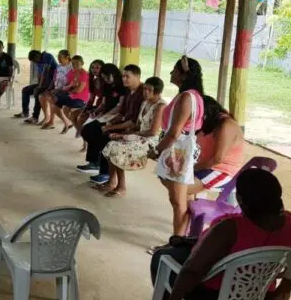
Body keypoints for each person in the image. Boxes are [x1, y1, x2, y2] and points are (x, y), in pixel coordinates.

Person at [150, 169, 291, 300]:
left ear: (240, 199)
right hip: (258, 297)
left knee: (162, 257)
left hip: (212, 297)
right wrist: (285, 288)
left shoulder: (229, 228)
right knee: (183, 253)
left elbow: (193, 270)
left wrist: (175, 298)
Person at [149, 56, 205, 237]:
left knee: (177, 201)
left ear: (183, 75)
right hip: (179, 148)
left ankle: (177, 241)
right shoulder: (191, 96)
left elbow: (174, 133)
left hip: (178, 150)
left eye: (174, 70)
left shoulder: (187, 97)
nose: (171, 73)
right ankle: (183, 236)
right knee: (182, 200)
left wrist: (157, 150)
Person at [97, 77, 166, 197]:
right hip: (139, 136)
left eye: (149, 90)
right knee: (111, 144)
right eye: (144, 89)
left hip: (151, 141)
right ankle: (112, 181)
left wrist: (128, 135)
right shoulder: (145, 102)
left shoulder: (161, 106)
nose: (145, 92)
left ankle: (121, 186)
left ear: (158, 92)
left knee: (119, 149)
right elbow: (137, 125)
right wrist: (123, 134)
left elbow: (153, 132)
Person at [79, 64, 144, 186]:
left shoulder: (141, 93)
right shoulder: (129, 91)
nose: (124, 78)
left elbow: (133, 121)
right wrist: (108, 121)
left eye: (127, 76)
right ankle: (97, 164)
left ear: (137, 76)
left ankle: (106, 173)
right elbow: (121, 112)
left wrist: (109, 126)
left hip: (133, 128)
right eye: (123, 76)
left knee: (104, 137)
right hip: (121, 121)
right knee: (89, 129)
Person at [192, 96, 245, 196]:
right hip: (206, 167)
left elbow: (217, 159)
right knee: (175, 182)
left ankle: (188, 208)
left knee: (180, 188)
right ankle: (191, 208)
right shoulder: (211, 122)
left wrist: (193, 168)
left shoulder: (226, 125)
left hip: (222, 171)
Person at [15, 49, 58, 124]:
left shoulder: (47, 56)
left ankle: (35, 117)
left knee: (38, 92)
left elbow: (45, 72)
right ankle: (25, 112)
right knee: (25, 90)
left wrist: (39, 86)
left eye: (35, 60)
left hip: (53, 84)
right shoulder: (38, 61)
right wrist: (38, 85)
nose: (35, 62)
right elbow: (40, 74)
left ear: (38, 55)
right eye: (34, 61)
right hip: (45, 84)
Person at [70, 59, 105, 150]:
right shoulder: (94, 82)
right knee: (74, 114)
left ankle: (86, 143)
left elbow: (106, 102)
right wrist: (85, 109)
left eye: (97, 67)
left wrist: (94, 111)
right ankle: (83, 138)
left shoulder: (105, 82)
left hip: (103, 108)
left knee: (83, 120)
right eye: (93, 67)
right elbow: (91, 99)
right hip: (97, 106)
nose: (95, 70)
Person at [54, 55, 90, 133]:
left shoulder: (84, 74)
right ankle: (72, 126)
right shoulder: (71, 72)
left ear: (82, 63)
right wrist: (69, 87)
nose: (74, 65)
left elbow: (78, 90)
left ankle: (77, 129)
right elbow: (67, 86)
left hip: (81, 99)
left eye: (77, 63)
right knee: (63, 107)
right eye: (73, 63)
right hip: (71, 96)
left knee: (55, 100)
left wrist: (69, 88)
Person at [38, 50, 72, 130]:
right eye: (58, 56)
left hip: (66, 90)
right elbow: (54, 79)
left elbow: (71, 83)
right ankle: (47, 118)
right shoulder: (59, 66)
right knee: (41, 96)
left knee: (51, 98)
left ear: (67, 57)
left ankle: (52, 122)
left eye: (61, 57)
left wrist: (59, 90)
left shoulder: (71, 67)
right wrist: (49, 88)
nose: (58, 58)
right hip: (57, 89)